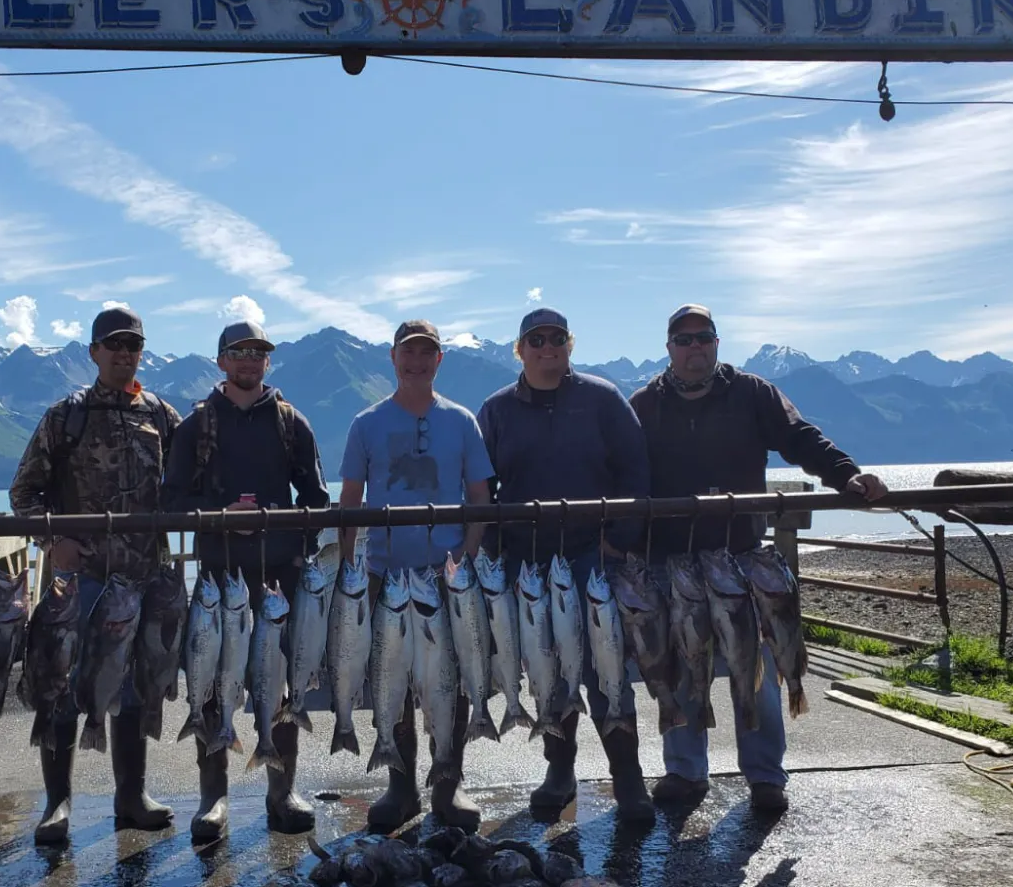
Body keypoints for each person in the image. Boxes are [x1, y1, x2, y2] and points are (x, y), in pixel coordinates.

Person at [630, 304, 889, 814]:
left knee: (759, 669)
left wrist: (846, 475)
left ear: (717, 343)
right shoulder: (643, 405)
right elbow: (620, 472)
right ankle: (685, 771)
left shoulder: (752, 393)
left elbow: (800, 439)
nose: (694, 346)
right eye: (683, 339)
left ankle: (766, 776)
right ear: (668, 349)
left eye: (703, 336)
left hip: (741, 557)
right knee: (684, 669)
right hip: (671, 562)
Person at [9, 307, 183, 844]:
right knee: (60, 684)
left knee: (132, 688)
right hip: (80, 582)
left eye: (133, 345)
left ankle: (130, 796)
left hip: (143, 579)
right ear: (94, 351)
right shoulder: (67, 416)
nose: (124, 353)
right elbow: (23, 494)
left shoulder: (161, 414)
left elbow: (190, 484)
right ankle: (57, 803)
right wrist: (52, 539)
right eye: (114, 345)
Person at [477, 307, 655, 825]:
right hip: (527, 565)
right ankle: (560, 772)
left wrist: (620, 539)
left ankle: (629, 777)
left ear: (570, 345)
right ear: (521, 348)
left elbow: (635, 467)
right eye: (536, 339)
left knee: (607, 671)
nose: (547, 346)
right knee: (548, 672)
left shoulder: (603, 398)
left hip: (592, 559)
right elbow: (481, 487)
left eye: (557, 338)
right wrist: (495, 548)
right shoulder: (496, 409)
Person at [160, 318, 331, 841]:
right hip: (220, 576)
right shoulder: (196, 425)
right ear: (222, 362)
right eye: (239, 352)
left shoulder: (290, 421)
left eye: (258, 353)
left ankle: (283, 791)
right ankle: (214, 799)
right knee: (211, 683)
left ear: (266, 363)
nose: (249, 361)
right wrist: (220, 513)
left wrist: (292, 530)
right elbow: (171, 503)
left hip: (281, 576)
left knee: (281, 682)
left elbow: (318, 499)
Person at [338, 319, 494, 833]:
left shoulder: (462, 421)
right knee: (394, 677)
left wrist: (465, 563)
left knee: (451, 673)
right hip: (383, 573)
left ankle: (450, 783)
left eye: (427, 353)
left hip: (447, 574)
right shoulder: (365, 423)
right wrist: (348, 571)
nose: (417, 362)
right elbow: (350, 503)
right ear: (393, 358)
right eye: (409, 353)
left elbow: (479, 499)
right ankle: (400, 787)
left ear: (439, 360)